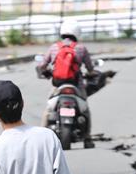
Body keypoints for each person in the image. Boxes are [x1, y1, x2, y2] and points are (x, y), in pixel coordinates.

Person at [36, 20, 96, 148]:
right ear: (77, 33)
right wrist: (91, 73)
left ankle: (41, 137)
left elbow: (42, 65)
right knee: (85, 110)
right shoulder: (81, 48)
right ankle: (87, 138)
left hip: (58, 85)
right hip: (76, 85)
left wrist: (45, 72)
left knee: (48, 109)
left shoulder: (54, 47)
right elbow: (90, 68)